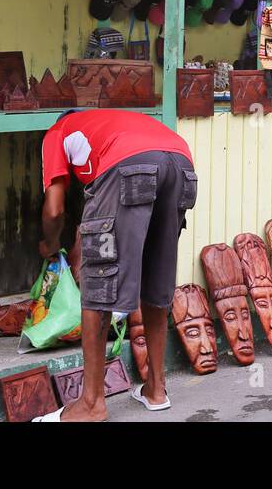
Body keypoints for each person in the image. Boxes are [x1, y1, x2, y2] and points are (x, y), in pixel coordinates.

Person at [33, 109, 197, 421]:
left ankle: (92, 404)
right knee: (156, 273)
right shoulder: (109, 122)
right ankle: (156, 389)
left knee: (99, 278)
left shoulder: (58, 131)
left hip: (130, 165)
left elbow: (54, 210)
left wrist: (51, 245)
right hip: (182, 165)